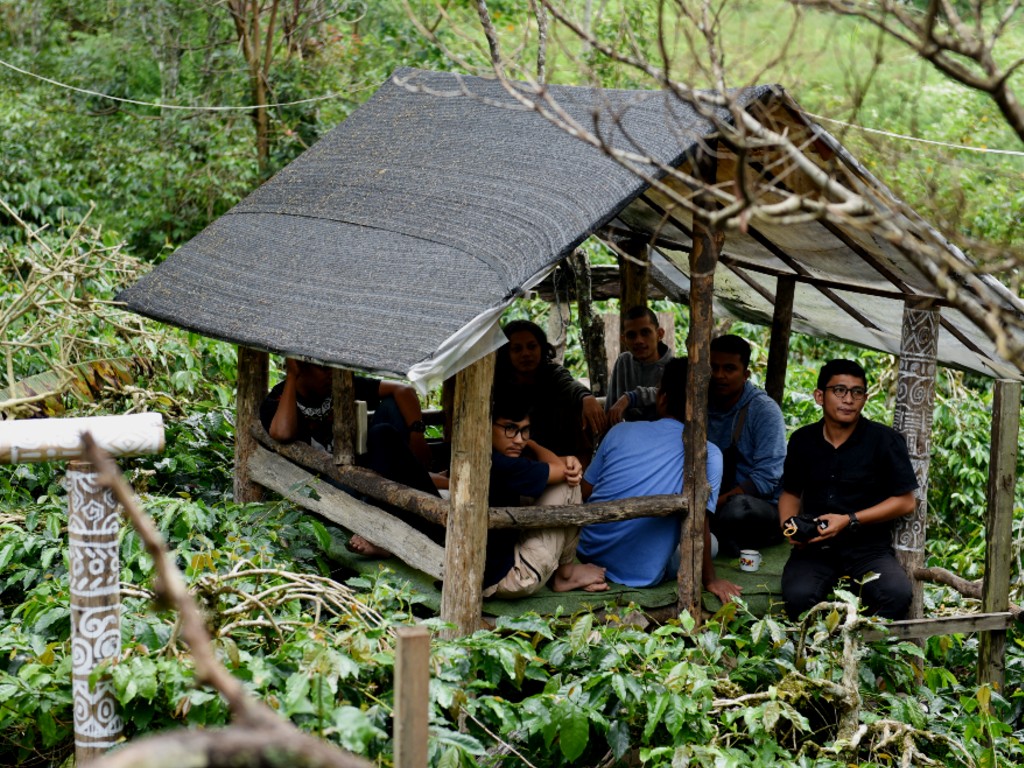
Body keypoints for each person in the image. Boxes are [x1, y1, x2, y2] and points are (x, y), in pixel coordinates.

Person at [577, 358, 742, 603]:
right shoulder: (709, 453)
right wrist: (710, 580)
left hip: (589, 553)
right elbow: (700, 524)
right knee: (713, 543)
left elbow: (585, 490)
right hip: (642, 573)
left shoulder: (620, 431)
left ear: (662, 398)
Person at [778, 359, 917, 621]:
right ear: (820, 396)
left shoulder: (884, 440)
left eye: (857, 392)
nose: (849, 399)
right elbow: (791, 493)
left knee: (896, 594)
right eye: (839, 390)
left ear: (865, 398)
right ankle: (817, 655)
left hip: (867, 549)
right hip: (815, 547)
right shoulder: (802, 440)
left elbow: (906, 502)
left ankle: (865, 651)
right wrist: (790, 527)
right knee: (798, 597)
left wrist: (849, 520)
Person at [482, 394, 608, 597]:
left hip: (490, 572)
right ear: (487, 426)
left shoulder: (484, 457)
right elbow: (565, 472)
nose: (518, 439)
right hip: (512, 577)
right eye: (510, 428)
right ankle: (565, 574)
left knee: (540, 489)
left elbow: (558, 466)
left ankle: (564, 572)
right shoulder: (503, 465)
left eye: (524, 430)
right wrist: (531, 444)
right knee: (568, 484)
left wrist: (526, 444)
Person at [706, 334, 787, 556]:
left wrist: (710, 507)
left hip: (756, 506)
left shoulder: (763, 410)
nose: (719, 375)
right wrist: (629, 398)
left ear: (745, 375)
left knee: (737, 510)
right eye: (713, 367)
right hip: (712, 502)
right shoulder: (700, 401)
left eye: (729, 369)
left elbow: (766, 479)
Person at [493, 320, 607, 460]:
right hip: (515, 452)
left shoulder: (552, 372)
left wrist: (586, 397)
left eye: (532, 346)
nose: (526, 353)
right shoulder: (499, 381)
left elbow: (568, 383)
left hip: (560, 451)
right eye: (517, 349)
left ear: (541, 348)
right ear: (506, 353)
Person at [606, 305, 673, 425]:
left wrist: (631, 397)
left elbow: (667, 393)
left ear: (660, 334)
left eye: (645, 332)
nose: (639, 341)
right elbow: (611, 409)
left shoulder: (674, 366)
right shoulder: (623, 362)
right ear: (623, 339)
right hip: (628, 439)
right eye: (631, 335)